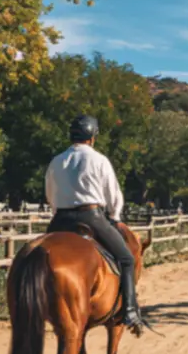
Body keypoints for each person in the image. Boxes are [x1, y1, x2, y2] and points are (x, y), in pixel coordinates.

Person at [45, 115, 148, 336]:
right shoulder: (99, 160)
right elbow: (113, 194)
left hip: (60, 220)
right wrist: (114, 216)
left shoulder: (56, 161)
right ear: (92, 137)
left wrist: (58, 212)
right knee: (127, 259)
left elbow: (50, 194)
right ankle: (130, 311)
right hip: (90, 217)